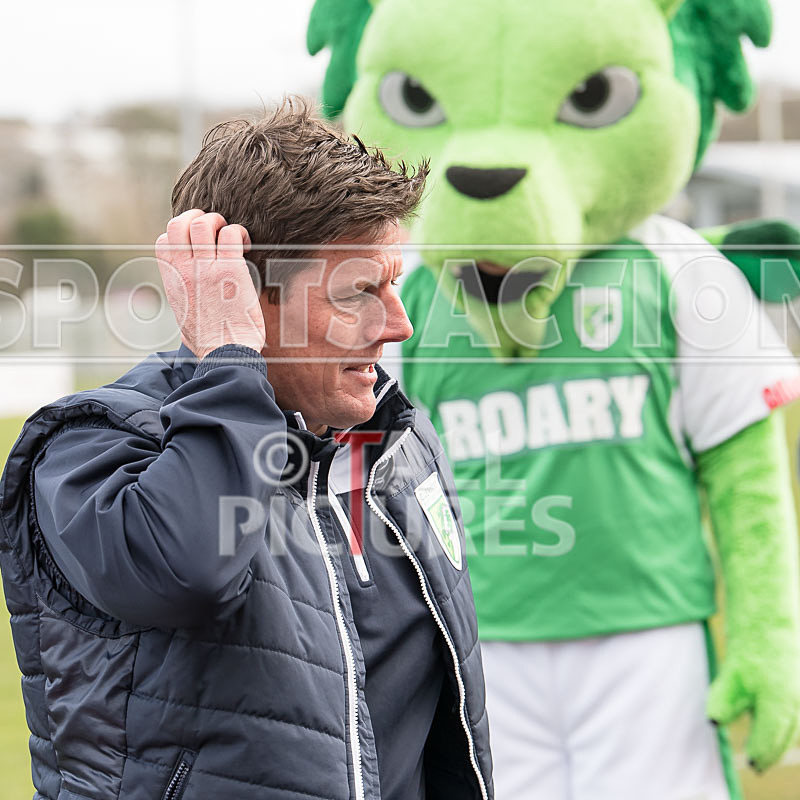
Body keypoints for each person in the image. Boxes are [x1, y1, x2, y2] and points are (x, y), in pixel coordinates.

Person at [0, 98, 493, 800]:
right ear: (242, 296)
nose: (398, 324)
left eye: (394, 285)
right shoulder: (89, 447)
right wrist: (231, 359)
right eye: (359, 292)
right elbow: (189, 573)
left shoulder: (398, 441)